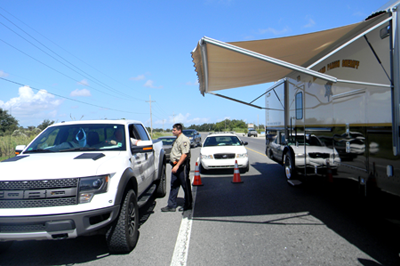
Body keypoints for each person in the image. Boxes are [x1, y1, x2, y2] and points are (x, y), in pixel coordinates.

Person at [161, 123, 193, 212]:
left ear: (179, 130)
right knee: (174, 185)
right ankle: (171, 205)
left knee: (185, 185)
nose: (172, 131)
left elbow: (184, 154)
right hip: (175, 165)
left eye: (174, 130)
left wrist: (177, 165)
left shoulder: (184, 139)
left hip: (182, 166)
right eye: (172, 130)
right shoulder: (177, 139)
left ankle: (188, 204)